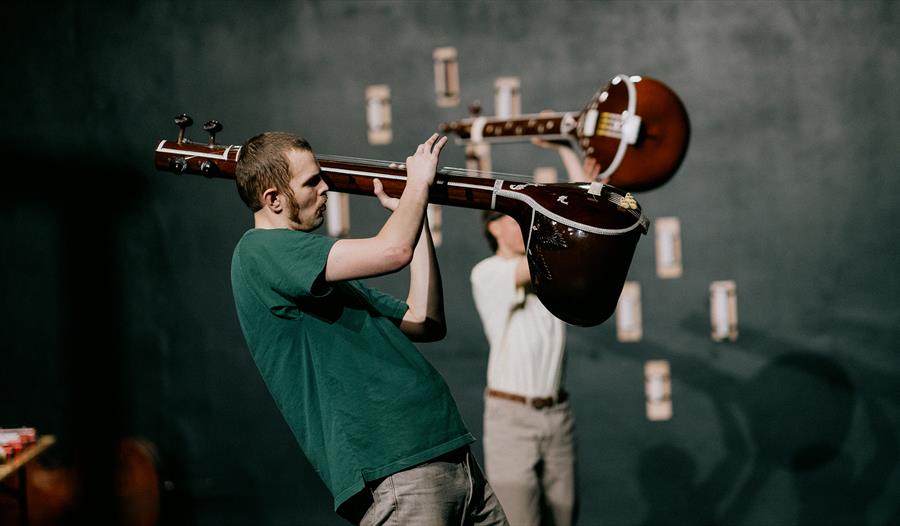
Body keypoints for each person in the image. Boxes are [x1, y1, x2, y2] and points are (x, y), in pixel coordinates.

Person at [230, 131, 508, 525]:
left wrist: (418, 214)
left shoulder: (321, 274)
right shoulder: (259, 251)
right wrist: (416, 187)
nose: (326, 188)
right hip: (396, 470)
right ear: (273, 199)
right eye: (311, 182)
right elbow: (393, 250)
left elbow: (424, 320)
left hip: (448, 454)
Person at [470, 139, 597, 526]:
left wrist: (566, 154)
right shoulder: (488, 272)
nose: (526, 222)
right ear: (493, 228)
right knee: (520, 521)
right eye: (513, 217)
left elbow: (587, 230)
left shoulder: (551, 271)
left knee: (564, 518)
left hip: (557, 413)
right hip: (512, 417)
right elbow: (568, 240)